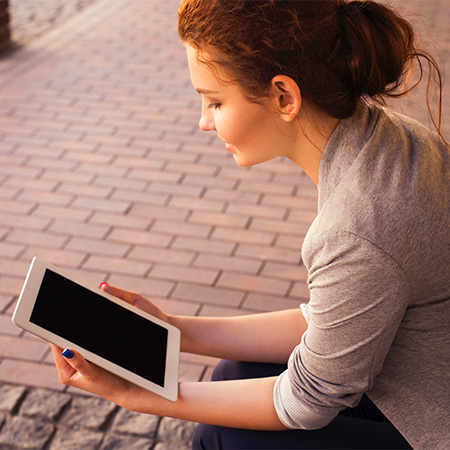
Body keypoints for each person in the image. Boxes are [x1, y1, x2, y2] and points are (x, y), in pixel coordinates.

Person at [50, 1, 449, 448]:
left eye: (215, 101)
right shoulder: (392, 138)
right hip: (418, 383)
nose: (204, 121)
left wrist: (136, 394)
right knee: (232, 373)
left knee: (222, 439)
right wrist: (172, 329)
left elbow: (307, 401)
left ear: (284, 97)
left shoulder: (355, 228)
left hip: (429, 423)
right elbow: (332, 318)